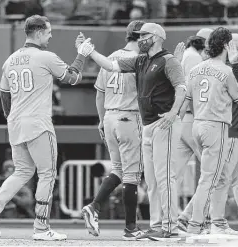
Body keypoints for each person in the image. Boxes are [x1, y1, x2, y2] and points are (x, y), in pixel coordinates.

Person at [0, 15, 94, 241]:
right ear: (39, 32)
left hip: (15, 123)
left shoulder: (10, 60)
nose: (51, 35)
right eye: (49, 31)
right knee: (48, 173)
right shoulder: (45, 56)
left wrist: (13, 118)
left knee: (22, 171)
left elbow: (5, 96)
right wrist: (82, 53)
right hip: (39, 123)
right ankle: (41, 227)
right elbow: (73, 78)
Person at [77, 22, 187, 241]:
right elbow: (111, 66)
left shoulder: (168, 60)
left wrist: (174, 112)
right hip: (146, 124)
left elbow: (182, 88)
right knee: (154, 179)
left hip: (163, 121)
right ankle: (157, 224)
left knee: (165, 176)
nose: (140, 39)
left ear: (156, 37)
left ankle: (170, 227)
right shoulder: (141, 60)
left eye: (144, 35)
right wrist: (90, 52)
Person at [180, 27, 238, 235]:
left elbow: (186, 101)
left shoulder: (198, 68)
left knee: (216, 178)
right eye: (235, 46)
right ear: (227, 46)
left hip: (198, 123)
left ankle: (195, 220)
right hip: (219, 128)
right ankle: (198, 222)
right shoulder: (228, 70)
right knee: (213, 179)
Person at [80, 20, 145, 241]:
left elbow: (99, 92)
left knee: (118, 169)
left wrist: (100, 120)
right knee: (132, 175)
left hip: (109, 116)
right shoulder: (140, 59)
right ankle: (131, 227)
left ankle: (94, 206)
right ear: (142, 37)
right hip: (129, 116)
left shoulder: (111, 56)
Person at [209, 33, 238, 235]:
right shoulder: (231, 71)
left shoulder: (227, 70)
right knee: (222, 179)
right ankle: (208, 220)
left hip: (232, 133)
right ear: (231, 49)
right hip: (230, 132)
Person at [176, 28, 214, 232]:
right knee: (212, 173)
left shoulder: (189, 55)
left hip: (185, 120)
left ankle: (173, 220)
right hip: (191, 118)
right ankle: (190, 217)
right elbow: (194, 93)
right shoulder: (194, 58)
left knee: (174, 174)